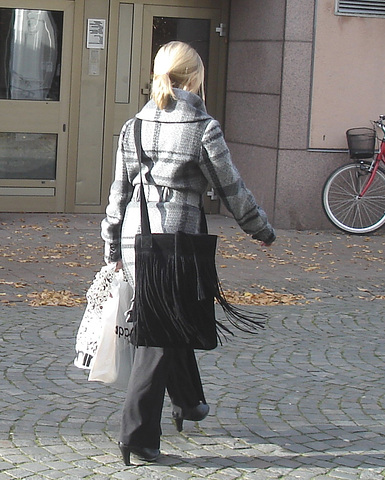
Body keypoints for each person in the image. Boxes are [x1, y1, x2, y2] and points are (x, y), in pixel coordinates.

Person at [101, 41, 276, 465]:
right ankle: (137, 434)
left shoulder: (134, 126)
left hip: (136, 238)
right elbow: (231, 187)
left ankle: (189, 402)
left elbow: (119, 192)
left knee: (170, 320)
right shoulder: (202, 128)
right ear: (195, 78)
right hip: (177, 242)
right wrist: (260, 229)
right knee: (159, 338)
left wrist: (110, 244)